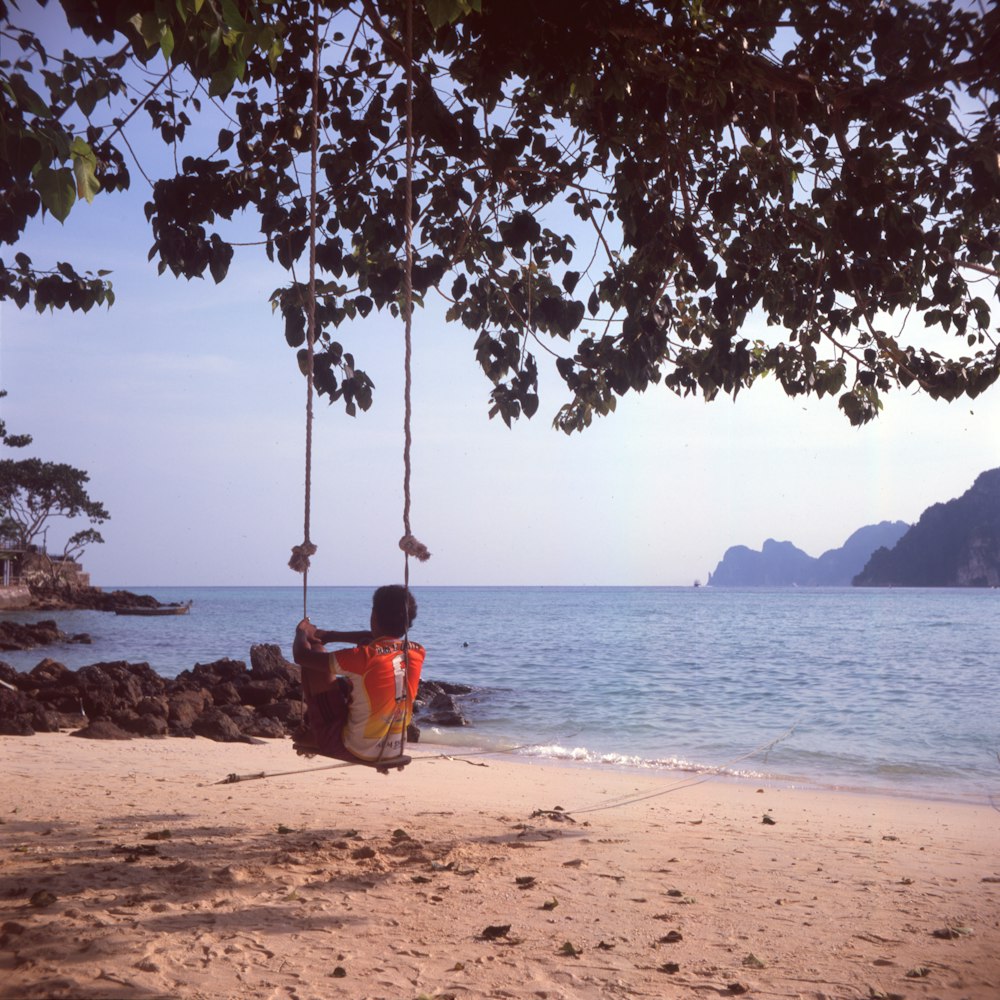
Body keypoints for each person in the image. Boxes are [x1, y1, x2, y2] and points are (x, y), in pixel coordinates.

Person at [292, 585, 425, 763]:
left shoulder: (364, 657)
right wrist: (330, 635)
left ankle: (316, 734)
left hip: (356, 749)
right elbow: (373, 638)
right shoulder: (417, 651)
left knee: (316, 655)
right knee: (355, 683)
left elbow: (301, 656)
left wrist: (301, 632)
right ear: (407, 624)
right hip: (395, 749)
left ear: (374, 616)